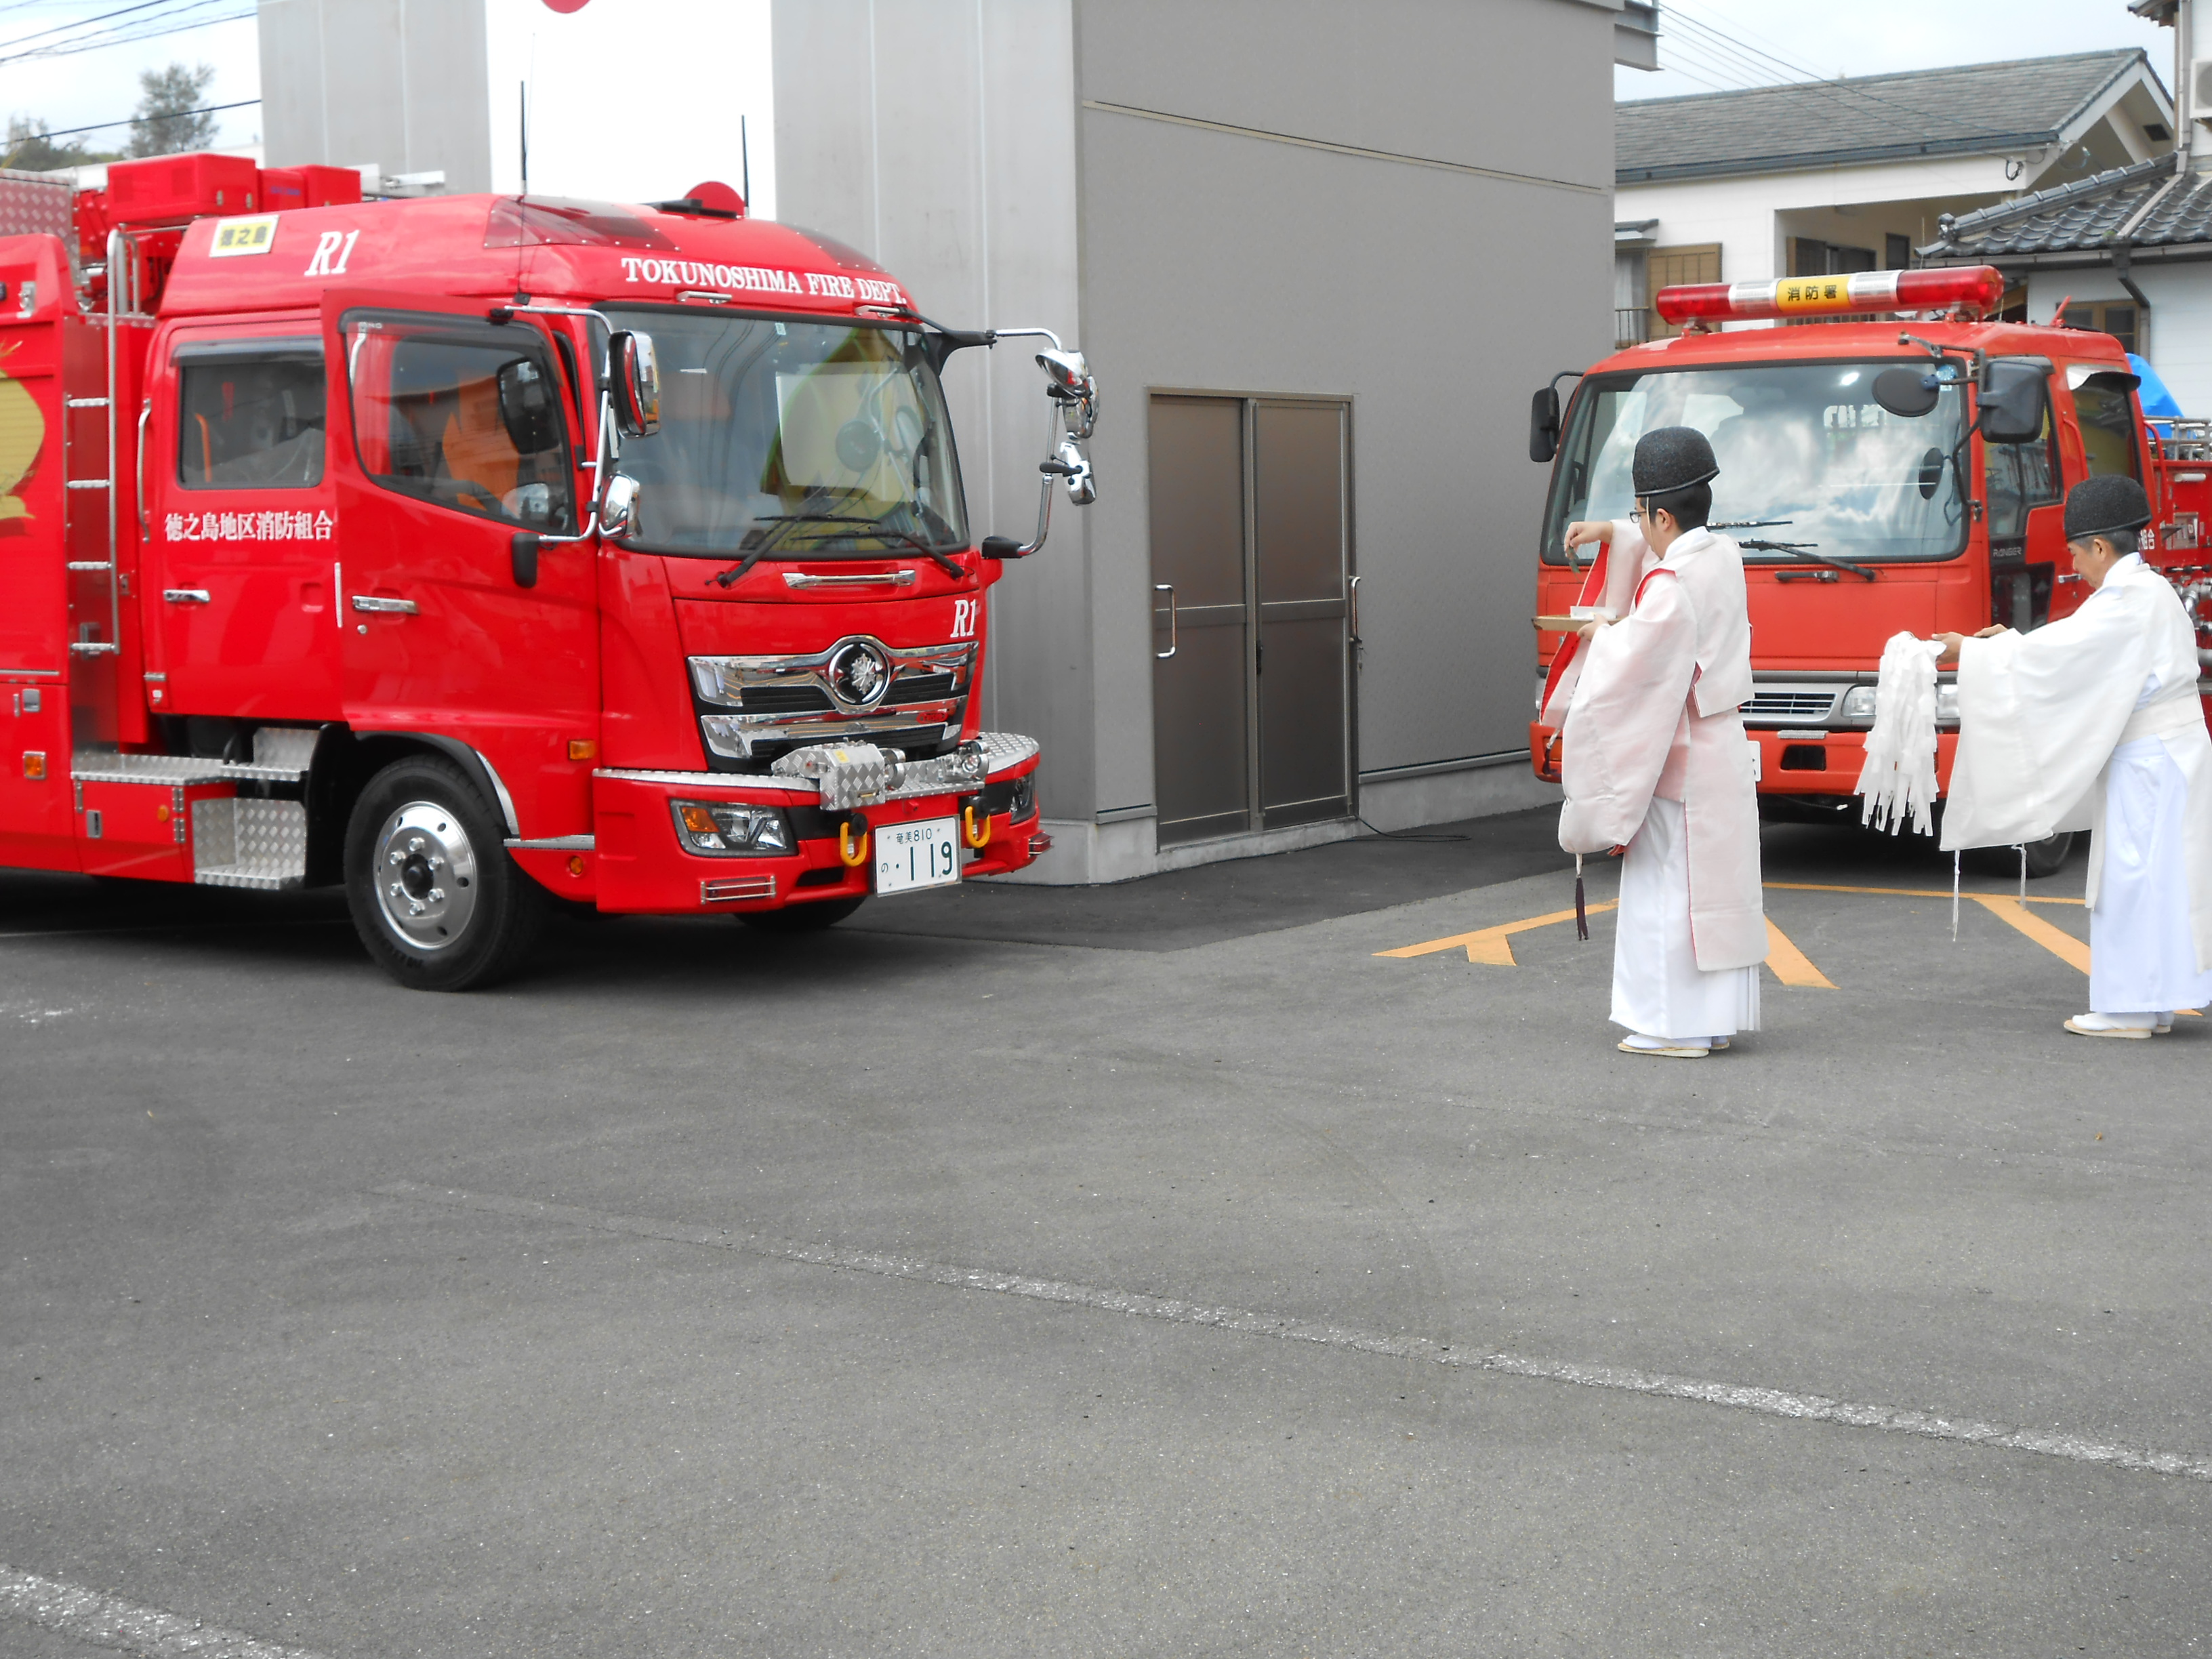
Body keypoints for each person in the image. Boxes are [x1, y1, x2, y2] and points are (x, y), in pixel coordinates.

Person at [1938, 473, 2212, 1038]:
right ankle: (2151, 1002)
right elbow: (2068, 650)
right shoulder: (2147, 592)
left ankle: (2130, 1008)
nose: (2073, 565)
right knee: (2160, 882)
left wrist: (1975, 652)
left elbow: (2060, 656)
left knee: (2133, 880)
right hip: (2165, 754)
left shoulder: (2126, 601)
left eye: (2076, 553)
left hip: (2152, 760)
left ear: (2101, 547)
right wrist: (2008, 646)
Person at [1547, 426, 1767, 1058]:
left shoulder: (1672, 586)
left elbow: (1635, 666)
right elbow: (1664, 554)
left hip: (1685, 757)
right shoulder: (1720, 556)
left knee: (1670, 894)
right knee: (1712, 892)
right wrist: (1614, 532)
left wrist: (1598, 632)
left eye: (1641, 515)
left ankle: (1678, 1026)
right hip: (1720, 744)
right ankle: (1711, 1021)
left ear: (1663, 513)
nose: (1638, 527)